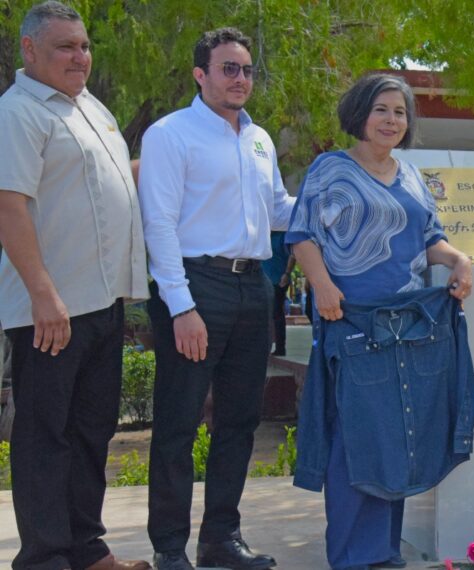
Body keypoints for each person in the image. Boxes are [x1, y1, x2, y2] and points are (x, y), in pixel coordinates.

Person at [287, 73, 473, 570]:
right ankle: (352, 555)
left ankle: (384, 552)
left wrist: (458, 260)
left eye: (400, 112)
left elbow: (429, 237)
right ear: (360, 114)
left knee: (399, 435)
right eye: (382, 110)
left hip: (409, 326)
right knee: (356, 439)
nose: (392, 120)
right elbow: (302, 234)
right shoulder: (331, 169)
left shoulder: (412, 176)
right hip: (351, 322)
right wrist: (322, 285)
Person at [0, 2, 151, 569]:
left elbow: (106, 181)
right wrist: (43, 294)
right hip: (51, 310)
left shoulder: (90, 108)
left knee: (91, 432)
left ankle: (86, 550)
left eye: (84, 45)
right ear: (29, 50)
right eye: (65, 46)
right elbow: (8, 206)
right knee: (45, 438)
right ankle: (43, 558)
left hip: (103, 302)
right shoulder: (18, 114)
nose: (80, 56)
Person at [138, 27, 294, 570]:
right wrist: (180, 306)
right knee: (178, 423)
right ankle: (168, 549)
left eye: (247, 70)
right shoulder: (169, 134)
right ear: (200, 74)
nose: (241, 79)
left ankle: (220, 541)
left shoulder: (259, 139)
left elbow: (279, 212)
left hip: (253, 287)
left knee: (240, 422)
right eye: (229, 68)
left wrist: (338, 199)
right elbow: (157, 223)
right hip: (193, 284)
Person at [262, 231, 295, 356]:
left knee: (276, 313)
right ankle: (268, 346)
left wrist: (287, 274)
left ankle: (280, 348)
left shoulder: (282, 235)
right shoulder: (263, 235)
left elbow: (293, 255)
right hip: (263, 280)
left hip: (278, 280)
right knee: (266, 315)